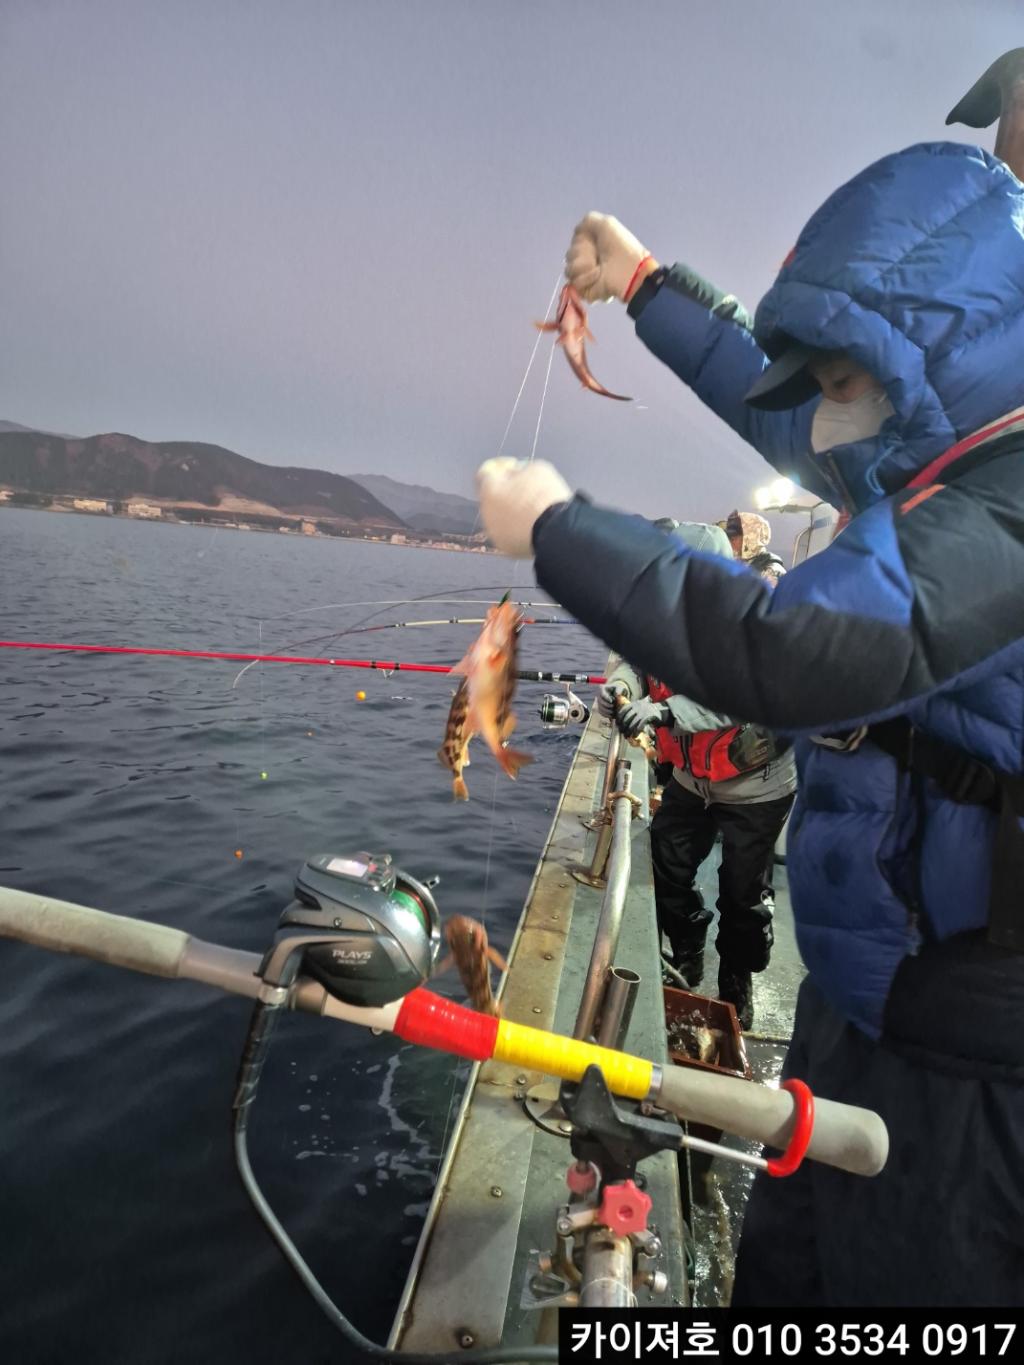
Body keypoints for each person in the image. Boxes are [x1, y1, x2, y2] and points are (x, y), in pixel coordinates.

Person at [475, 141, 1024, 1306]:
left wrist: (563, 530)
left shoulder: (1004, 506)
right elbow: (777, 391)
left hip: (971, 1054)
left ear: (922, 364)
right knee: (786, 1275)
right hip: (866, 991)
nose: (822, 427)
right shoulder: (936, 436)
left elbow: (788, 650)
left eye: (838, 384)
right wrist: (641, 288)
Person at [598, 519, 795, 1029]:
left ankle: (737, 979)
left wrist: (663, 713)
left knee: (744, 893)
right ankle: (687, 949)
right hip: (690, 777)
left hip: (756, 785)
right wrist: (619, 688)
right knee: (665, 864)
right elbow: (633, 664)